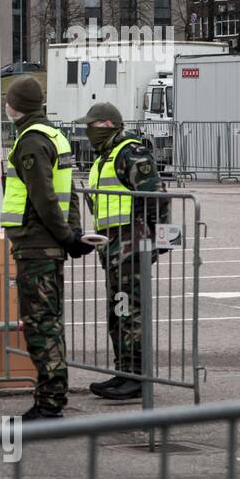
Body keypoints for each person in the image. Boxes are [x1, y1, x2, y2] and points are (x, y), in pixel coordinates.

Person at [0, 76, 95, 421]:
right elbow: (66, 193)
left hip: (36, 243)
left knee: (40, 323)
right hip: (49, 242)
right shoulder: (56, 136)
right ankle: (52, 396)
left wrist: (67, 236)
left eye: (8, 101)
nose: (6, 106)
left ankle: (50, 402)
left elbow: (43, 197)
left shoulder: (31, 142)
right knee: (50, 320)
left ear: (16, 106)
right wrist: (72, 234)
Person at [76, 102, 168, 400]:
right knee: (118, 309)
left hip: (132, 242)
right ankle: (123, 371)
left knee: (130, 310)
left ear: (108, 125)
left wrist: (159, 242)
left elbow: (157, 197)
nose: (88, 131)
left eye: (93, 125)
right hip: (112, 245)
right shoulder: (106, 156)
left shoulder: (131, 153)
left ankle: (137, 376)